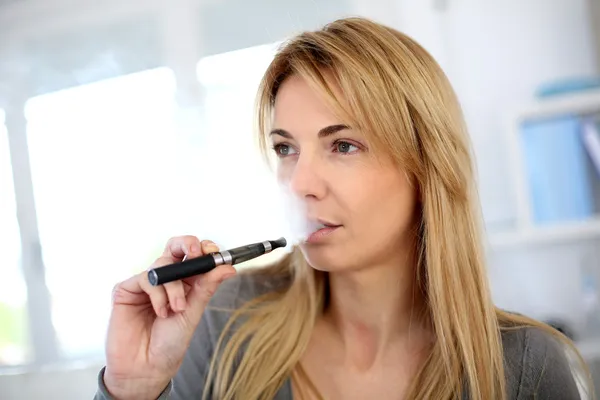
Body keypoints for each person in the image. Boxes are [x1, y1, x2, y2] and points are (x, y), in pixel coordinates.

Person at [94, 17, 592, 400]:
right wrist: (133, 388)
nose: (300, 184)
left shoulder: (524, 368)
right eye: (286, 149)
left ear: (428, 166)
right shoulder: (225, 324)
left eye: (344, 146)